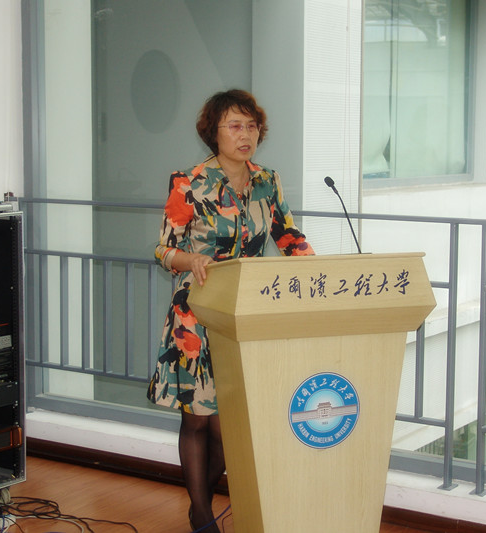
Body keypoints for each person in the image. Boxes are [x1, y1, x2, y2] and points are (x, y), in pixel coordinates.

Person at [147, 89, 314, 532]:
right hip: (196, 316)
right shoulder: (189, 182)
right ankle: (202, 516)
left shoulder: (267, 181)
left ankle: (200, 503)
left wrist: (317, 269)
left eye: (252, 126)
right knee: (198, 421)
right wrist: (190, 259)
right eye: (235, 126)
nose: (246, 135)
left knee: (229, 428)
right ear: (214, 133)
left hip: (244, 316)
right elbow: (163, 250)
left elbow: (288, 236)